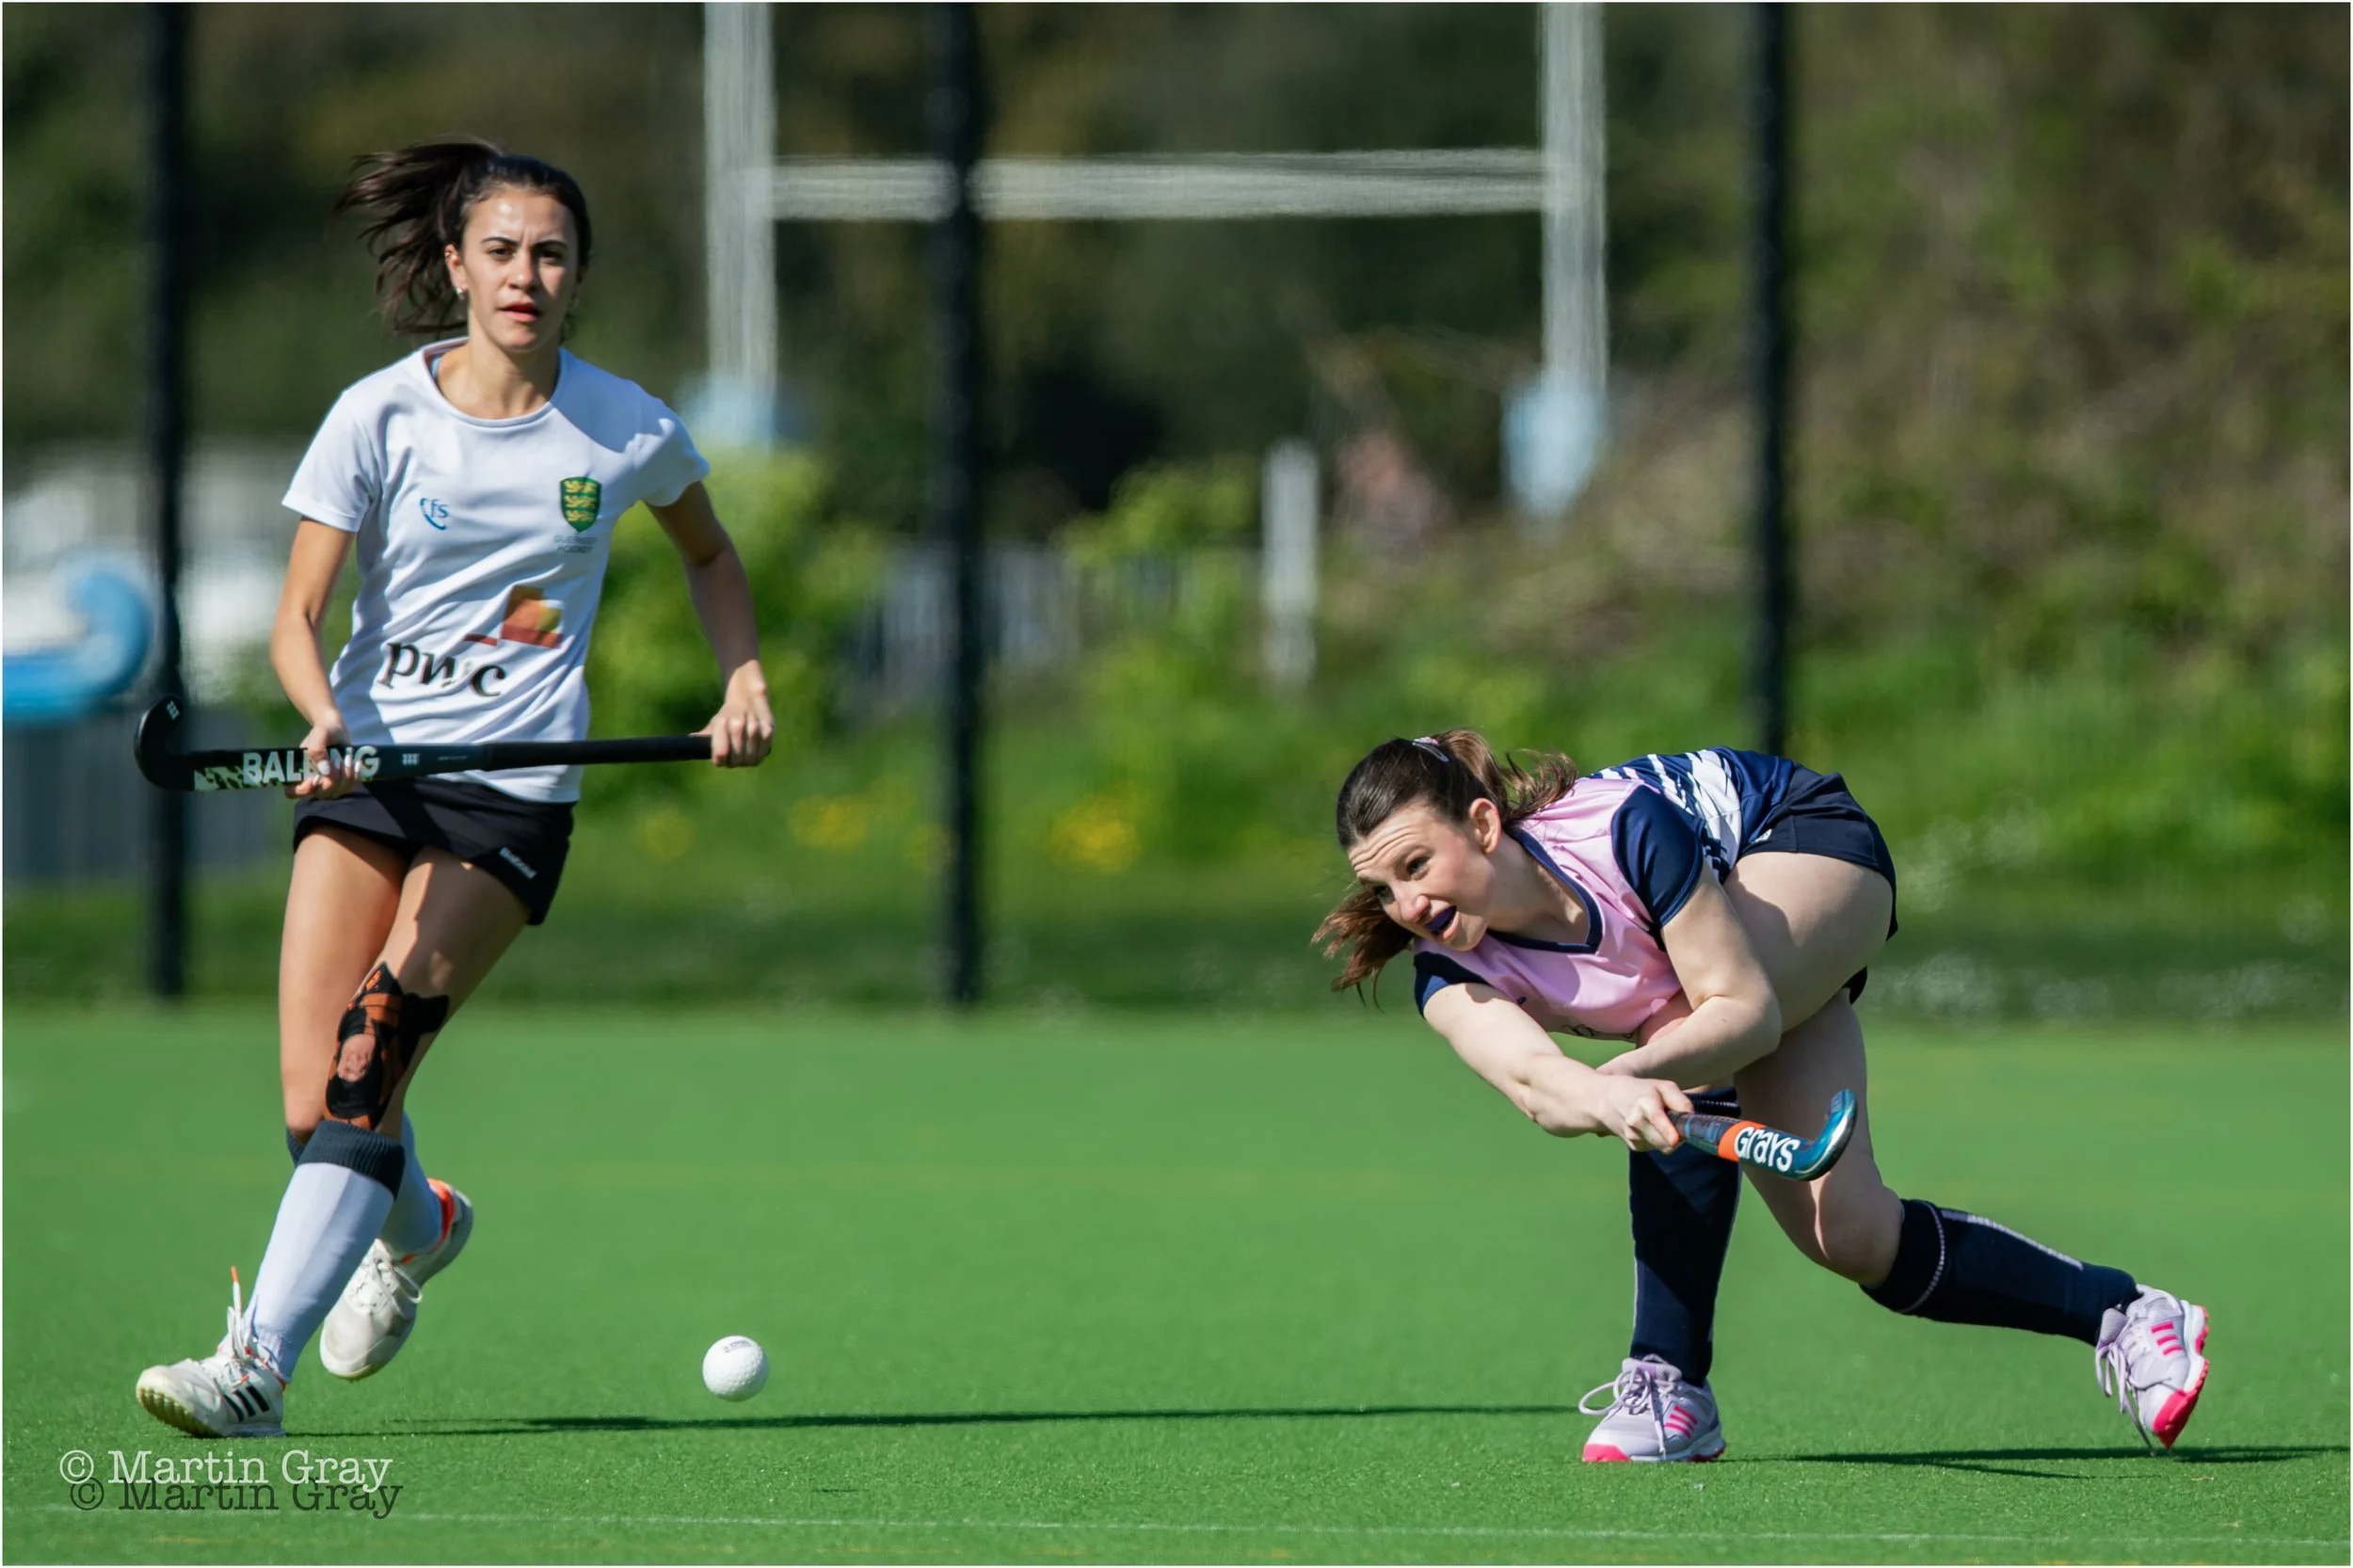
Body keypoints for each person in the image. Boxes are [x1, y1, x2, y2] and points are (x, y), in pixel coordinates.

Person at [135, 138, 775, 1439]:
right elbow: (298, 615)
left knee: (372, 1058)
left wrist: (744, 677)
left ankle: (252, 1367)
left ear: (578, 273)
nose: (524, 274)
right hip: (371, 767)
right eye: (500, 251)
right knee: (316, 1100)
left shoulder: (627, 424)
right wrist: (321, 720)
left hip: (512, 794)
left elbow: (710, 556)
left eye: (549, 253)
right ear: (455, 266)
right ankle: (421, 1224)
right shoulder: (378, 414)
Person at [1317, 732, 2209, 1462]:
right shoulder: (1448, 971)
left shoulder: (1625, 830)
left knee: (1676, 1021)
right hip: (1725, 979)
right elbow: (1537, 1088)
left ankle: (1667, 1378)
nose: (1408, 903)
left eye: (1415, 864)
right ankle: (2126, 1314)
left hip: (1799, 844)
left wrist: (1626, 1081)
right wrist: (1598, 1093)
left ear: (1481, 824)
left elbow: (1741, 1010)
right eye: (1384, 887)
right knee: (1852, 1238)